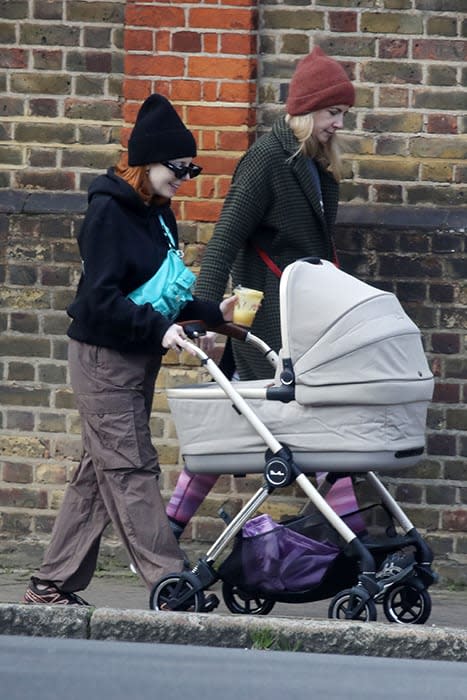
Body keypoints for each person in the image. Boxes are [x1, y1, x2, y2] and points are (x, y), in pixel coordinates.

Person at [23, 93, 236, 606]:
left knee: (100, 473)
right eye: (177, 168)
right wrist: (158, 330)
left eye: (191, 169)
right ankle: (169, 582)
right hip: (102, 359)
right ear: (146, 159)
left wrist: (211, 316)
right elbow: (98, 303)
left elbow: (165, 291)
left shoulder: (160, 215)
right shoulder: (108, 214)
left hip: (135, 358)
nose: (184, 179)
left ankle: (51, 585)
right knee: (132, 467)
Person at [166, 46, 359, 540]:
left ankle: (165, 532)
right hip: (269, 322)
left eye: (342, 114)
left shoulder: (314, 163)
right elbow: (226, 237)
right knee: (316, 428)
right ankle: (353, 535)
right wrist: (202, 315)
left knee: (226, 430)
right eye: (332, 112)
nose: (339, 123)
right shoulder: (267, 159)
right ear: (306, 110)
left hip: (299, 323)